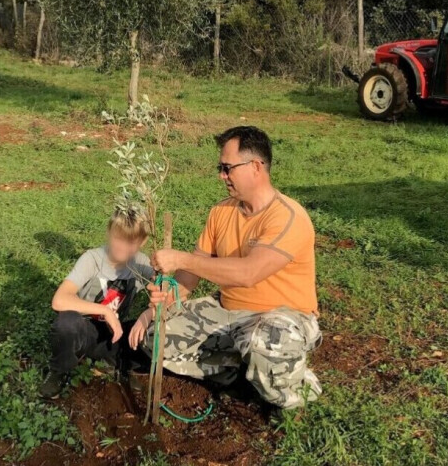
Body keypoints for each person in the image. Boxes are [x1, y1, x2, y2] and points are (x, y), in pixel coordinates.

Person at [129, 126, 322, 409]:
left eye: (227, 168)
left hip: (282, 317)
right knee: (155, 338)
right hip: (228, 311)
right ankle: (241, 371)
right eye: (220, 168)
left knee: (266, 344)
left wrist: (181, 259)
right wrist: (155, 310)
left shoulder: (287, 218)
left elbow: (248, 273)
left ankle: (299, 389)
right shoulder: (221, 211)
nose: (222, 175)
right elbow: (189, 277)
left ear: (256, 167)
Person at [40, 209, 155, 399]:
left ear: (142, 242)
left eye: (131, 242)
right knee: (67, 323)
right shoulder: (92, 259)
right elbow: (59, 300)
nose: (122, 247)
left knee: (154, 332)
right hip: (85, 330)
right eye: (118, 238)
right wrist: (105, 311)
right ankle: (59, 370)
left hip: (115, 333)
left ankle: (119, 365)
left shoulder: (141, 264)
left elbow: (169, 294)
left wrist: (148, 313)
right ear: (109, 232)